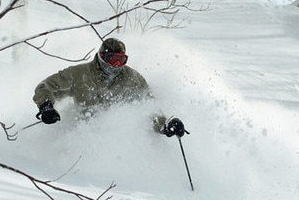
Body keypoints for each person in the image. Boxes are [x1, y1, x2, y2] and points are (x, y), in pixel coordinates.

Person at [32, 37, 187, 138]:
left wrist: (165, 125)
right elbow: (46, 86)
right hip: (80, 132)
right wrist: (46, 106)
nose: (116, 66)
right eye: (112, 59)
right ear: (101, 56)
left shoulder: (132, 79)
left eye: (121, 60)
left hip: (114, 137)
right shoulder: (79, 75)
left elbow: (149, 107)